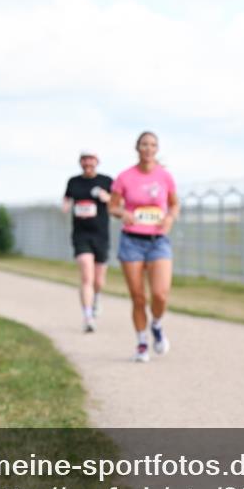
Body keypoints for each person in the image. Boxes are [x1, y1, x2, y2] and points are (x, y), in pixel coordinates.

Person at [109, 131, 180, 362]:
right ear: (137, 148)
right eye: (144, 144)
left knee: (160, 294)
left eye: (152, 145)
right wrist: (123, 213)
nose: (148, 148)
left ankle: (156, 325)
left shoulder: (165, 176)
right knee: (138, 297)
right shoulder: (124, 177)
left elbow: (174, 205)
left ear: (156, 149)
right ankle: (141, 343)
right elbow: (112, 207)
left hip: (158, 241)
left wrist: (169, 218)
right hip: (131, 241)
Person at [63, 150, 113, 333]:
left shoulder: (106, 181)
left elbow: (118, 203)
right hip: (80, 235)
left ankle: (96, 297)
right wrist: (66, 205)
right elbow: (67, 198)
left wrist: (107, 198)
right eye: (84, 159)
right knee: (86, 276)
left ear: (97, 161)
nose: (87, 163)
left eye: (91, 159)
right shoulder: (73, 181)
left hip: (100, 235)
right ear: (80, 162)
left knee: (98, 280)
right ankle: (88, 316)